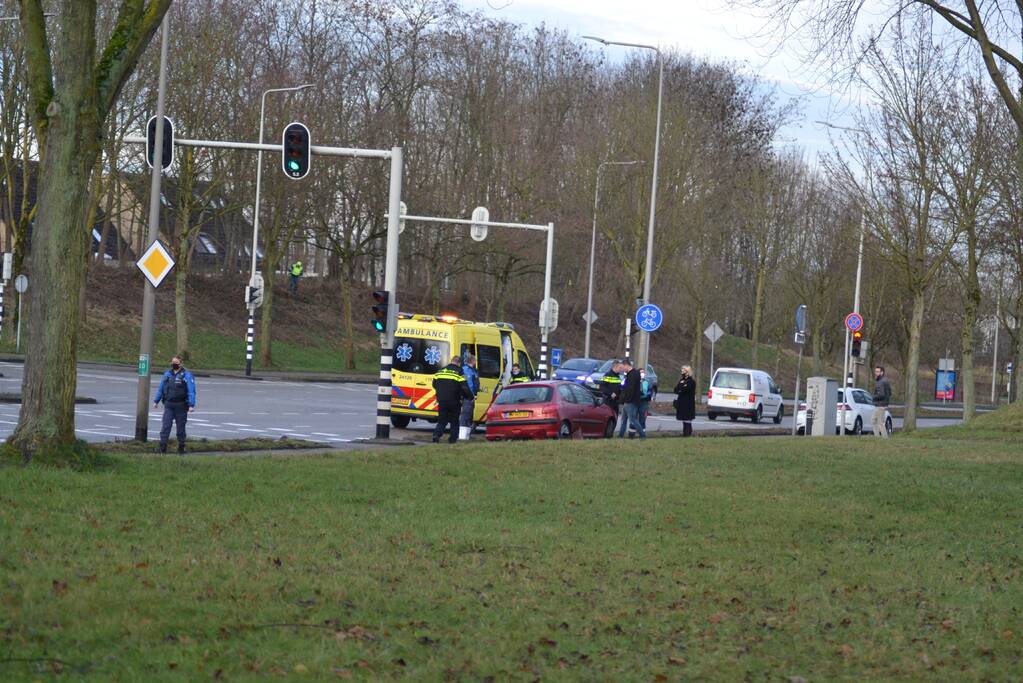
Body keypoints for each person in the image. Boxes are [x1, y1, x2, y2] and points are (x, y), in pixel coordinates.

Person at [153, 354, 196, 454]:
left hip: (181, 406)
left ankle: (181, 447)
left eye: (176, 363)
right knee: (166, 426)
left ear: (181, 364)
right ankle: (162, 447)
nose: (174, 364)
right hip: (169, 405)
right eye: (172, 362)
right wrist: (156, 401)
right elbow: (161, 388)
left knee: (180, 428)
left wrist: (191, 405)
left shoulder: (187, 375)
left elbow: (191, 390)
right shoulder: (167, 374)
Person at [432, 356, 472, 443]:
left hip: (442, 400)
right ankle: (452, 439)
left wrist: (441, 392)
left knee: (442, 420)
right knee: (454, 420)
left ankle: (436, 435)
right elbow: (464, 387)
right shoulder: (460, 372)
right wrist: (470, 396)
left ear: (451, 361)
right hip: (454, 400)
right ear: (459, 363)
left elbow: (434, 384)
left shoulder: (440, 370)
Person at [617, 360, 646, 439]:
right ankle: (620, 435)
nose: (622, 369)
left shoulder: (633, 374)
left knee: (633, 420)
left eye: (623, 367)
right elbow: (626, 387)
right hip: (627, 401)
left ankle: (642, 435)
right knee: (623, 420)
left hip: (631, 402)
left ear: (626, 365)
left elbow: (631, 389)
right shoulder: (630, 374)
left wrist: (627, 398)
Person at [459, 353, 480, 440]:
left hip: (472, 396)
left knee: (470, 416)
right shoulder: (466, 370)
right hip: (468, 396)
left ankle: (467, 436)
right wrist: (471, 395)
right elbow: (469, 384)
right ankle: (462, 436)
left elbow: (475, 384)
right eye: (475, 360)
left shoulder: (473, 370)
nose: (476, 362)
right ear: (472, 361)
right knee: (466, 415)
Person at [673, 365, 697, 437]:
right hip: (681, 403)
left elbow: (685, 390)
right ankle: (685, 434)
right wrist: (681, 388)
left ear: (687, 372)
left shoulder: (691, 382)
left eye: (683, 371)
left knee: (687, 420)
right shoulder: (681, 380)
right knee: (684, 420)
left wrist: (681, 389)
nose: (682, 372)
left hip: (688, 404)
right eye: (682, 371)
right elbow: (676, 389)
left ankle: (687, 434)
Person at [872, 365, 892, 438]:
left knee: (880, 422)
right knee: (874, 420)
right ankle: (877, 437)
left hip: (880, 405)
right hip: (882, 404)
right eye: (875, 371)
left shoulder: (881, 382)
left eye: (878, 371)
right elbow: (890, 393)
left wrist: (873, 397)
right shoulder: (885, 380)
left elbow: (881, 394)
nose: (876, 373)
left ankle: (884, 438)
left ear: (882, 372)